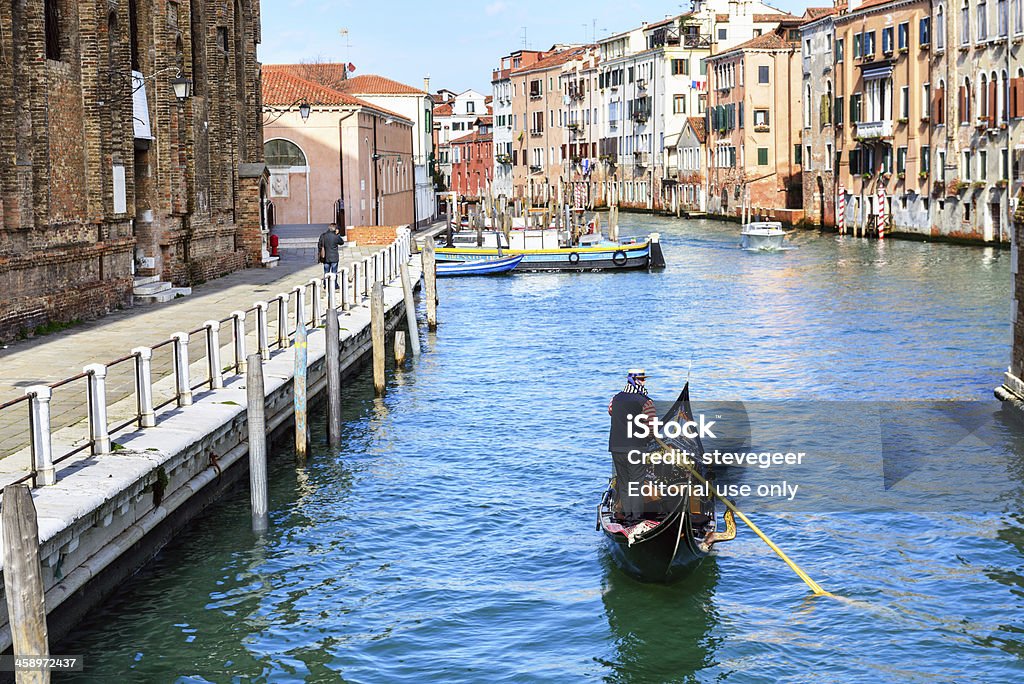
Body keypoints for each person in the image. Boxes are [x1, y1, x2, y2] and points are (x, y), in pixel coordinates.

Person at [607, 369, 658, 525]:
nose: (644, 382)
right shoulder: (646, 402)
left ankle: (628, 516)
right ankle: (635, 520)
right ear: (638, 381)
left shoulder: (615, 399)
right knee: (636, 483)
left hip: (616, 447)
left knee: (624, 482)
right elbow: (652, 428)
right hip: (635, 448)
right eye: (642, 379)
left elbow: (611, 412)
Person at [317, 223, 343, 287]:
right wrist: (338, 234)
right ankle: (334, 284)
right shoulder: (335, 236)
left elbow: (319, 245)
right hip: (334, 257)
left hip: (325, 257)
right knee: (334, 272)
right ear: (335, 229)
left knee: (326, 272)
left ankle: (326, 284)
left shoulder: (323, 236)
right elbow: (341, 242)